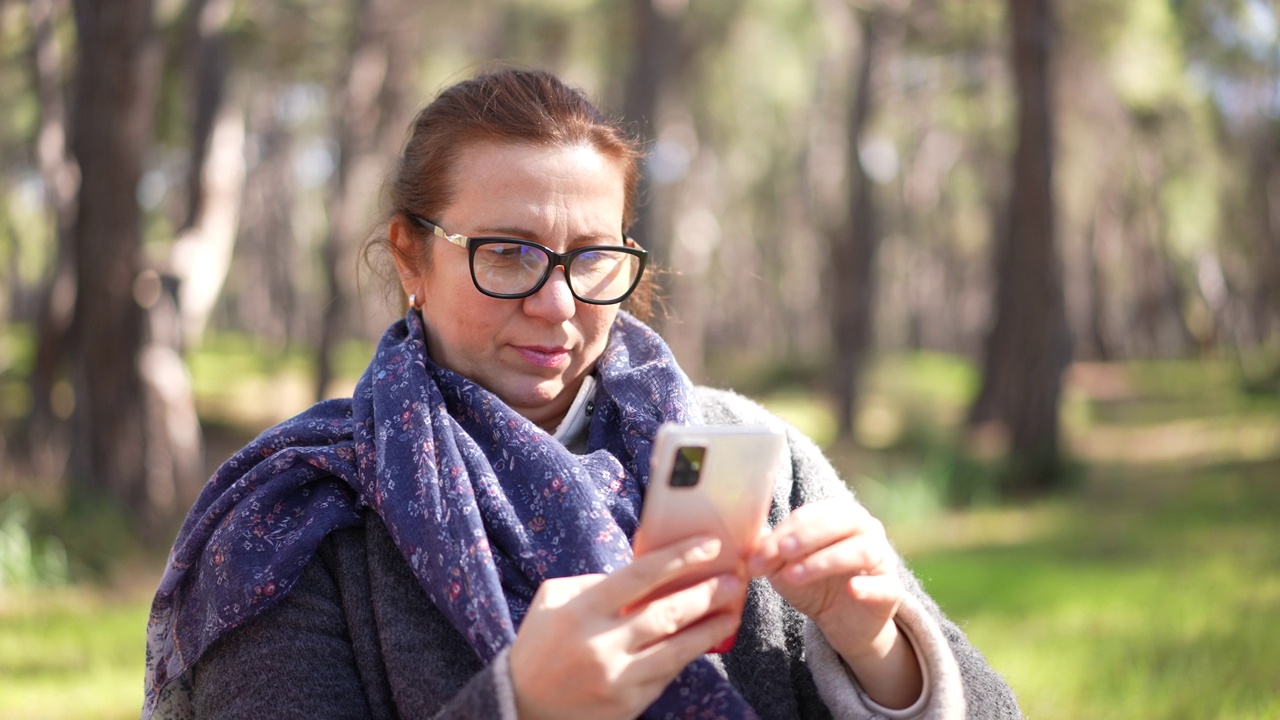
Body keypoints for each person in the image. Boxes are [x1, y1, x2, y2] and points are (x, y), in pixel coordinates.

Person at [143, 67, 1021, 720]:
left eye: (591, 256)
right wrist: (520, 704)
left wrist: (881, 650)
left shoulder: (750, 452)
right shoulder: (298, 515)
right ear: (411, 255)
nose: (557, 304)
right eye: (508, 252)